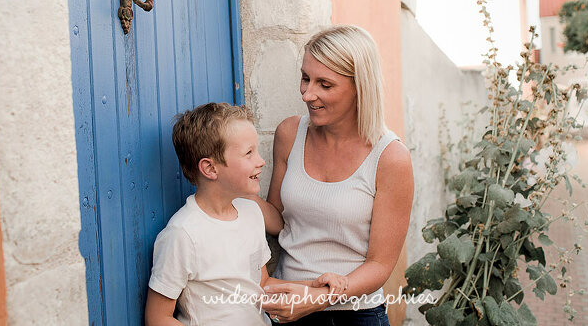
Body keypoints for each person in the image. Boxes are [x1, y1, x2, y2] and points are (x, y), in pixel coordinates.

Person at [257, 25, 415, 325]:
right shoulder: (290, 133)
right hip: (285, 306)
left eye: (324, 84)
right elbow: (278, 221)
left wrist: (318, 299)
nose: (307, 93)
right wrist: (233, 187)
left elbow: (380, 265)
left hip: (355, 314)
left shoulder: (391, 158)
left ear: (360, 87)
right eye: (305, 78)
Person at [144, 102, 349, 326]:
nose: (261, 161)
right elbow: (157, 317)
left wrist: (314, 286)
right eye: (248, 153)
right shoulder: (182, 234)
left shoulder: (251, 212)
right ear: (210, 169)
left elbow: (262, 284)